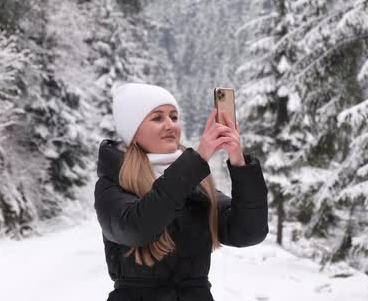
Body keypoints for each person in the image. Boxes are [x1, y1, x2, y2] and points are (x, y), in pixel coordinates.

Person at [94, 83, 269, 301]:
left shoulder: (196, 180)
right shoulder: (113, 180)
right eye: (158, 118)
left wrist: (239, 162)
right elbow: (136, 228)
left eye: (174, 117)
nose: (170, 125)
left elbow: (248, 232)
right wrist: (197, 160)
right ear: (133, 130)